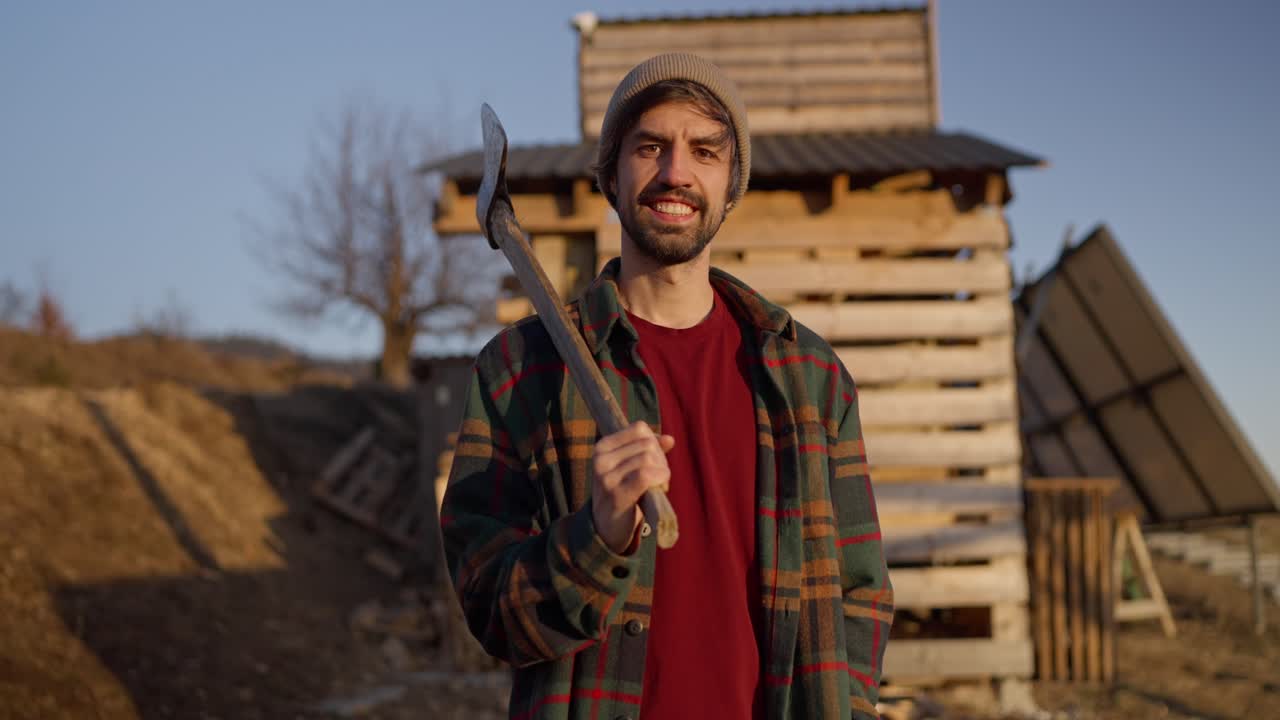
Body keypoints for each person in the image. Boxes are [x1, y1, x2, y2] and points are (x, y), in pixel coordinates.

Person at [441, 52, 893, 720]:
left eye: (705, 151)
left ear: (732, 184)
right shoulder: (522, 370)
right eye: (650, 147)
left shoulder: (811, 378)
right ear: (612, 175)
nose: (676, 172)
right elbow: (490, 611)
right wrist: (599, 535)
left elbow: (860, 595)